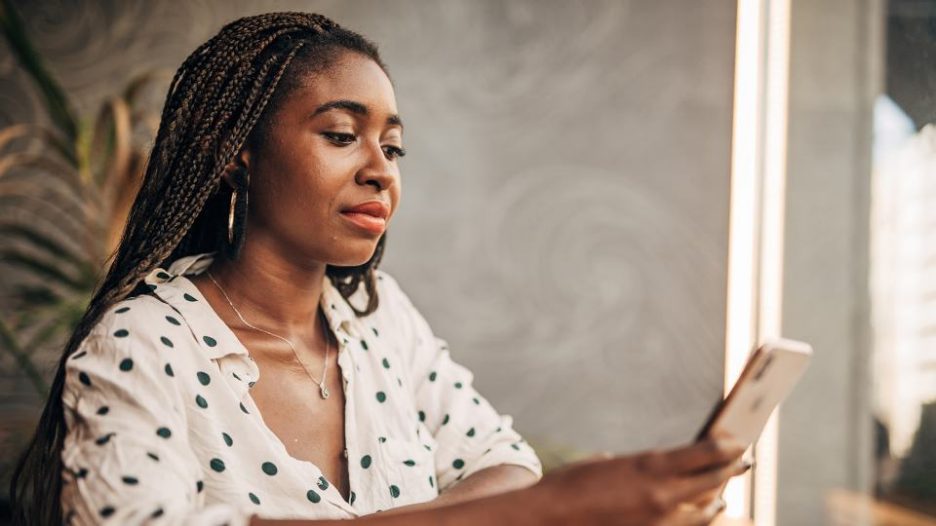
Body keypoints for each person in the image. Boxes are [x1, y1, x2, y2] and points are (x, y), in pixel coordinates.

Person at [9, 12, 749, 526]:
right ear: (240, 151)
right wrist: (545, 511)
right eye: (341, 134)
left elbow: (507, 464)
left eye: (392, 149)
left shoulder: (378, 320)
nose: (379, 171)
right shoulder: (143, 342)